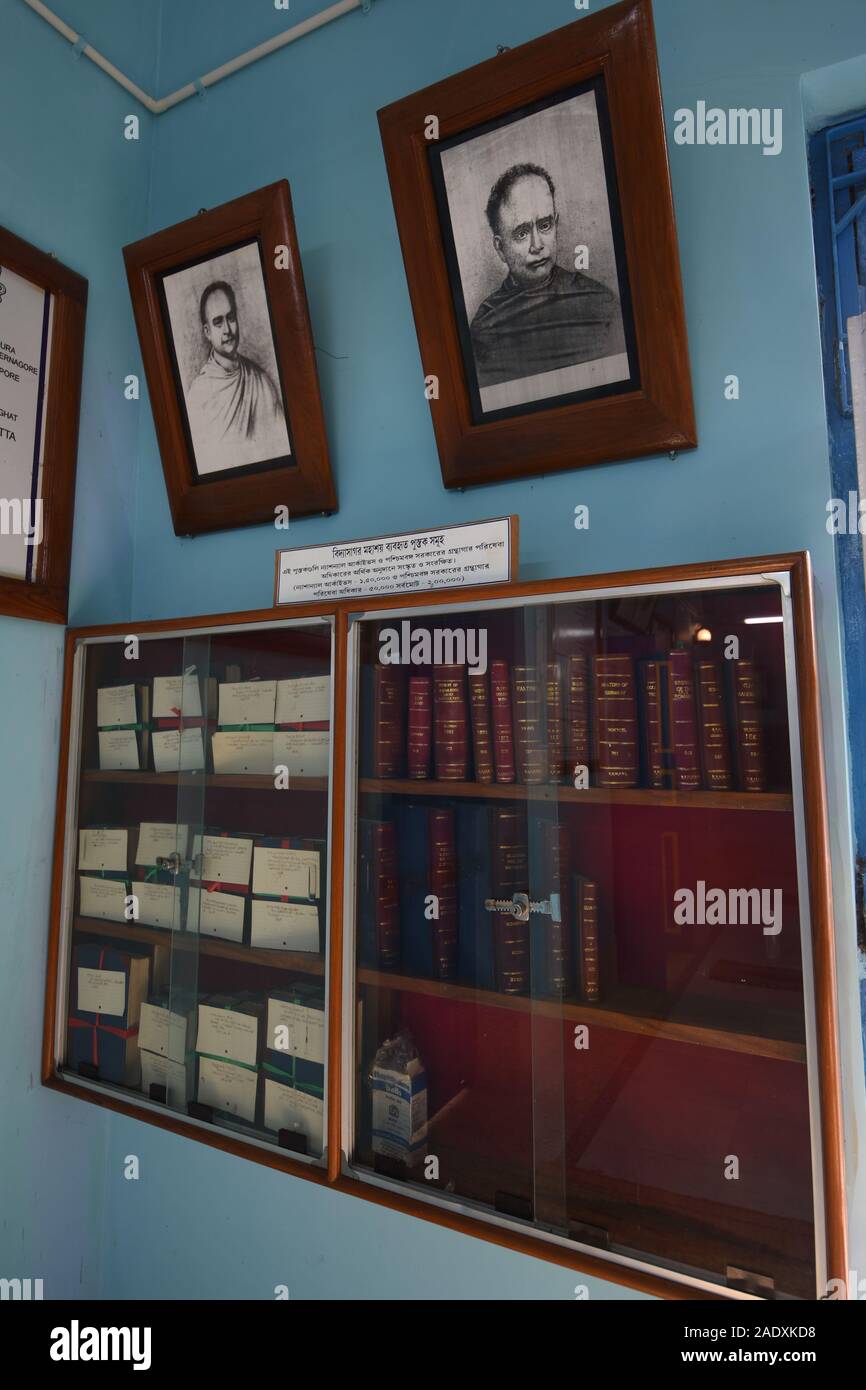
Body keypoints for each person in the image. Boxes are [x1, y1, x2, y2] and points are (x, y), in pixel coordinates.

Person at [469, 163, 626, 391]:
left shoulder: (599, 301)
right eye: (522, 233)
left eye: (544, 225)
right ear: (500, 248)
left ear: (556, 224)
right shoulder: (485, 325)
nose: (538, 245)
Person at [185, 281, 288, 471]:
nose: (227, 330)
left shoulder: (261, 381)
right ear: (207, 332)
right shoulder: (197, 396)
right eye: (218, 322)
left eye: (230, 318)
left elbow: (282, 446)